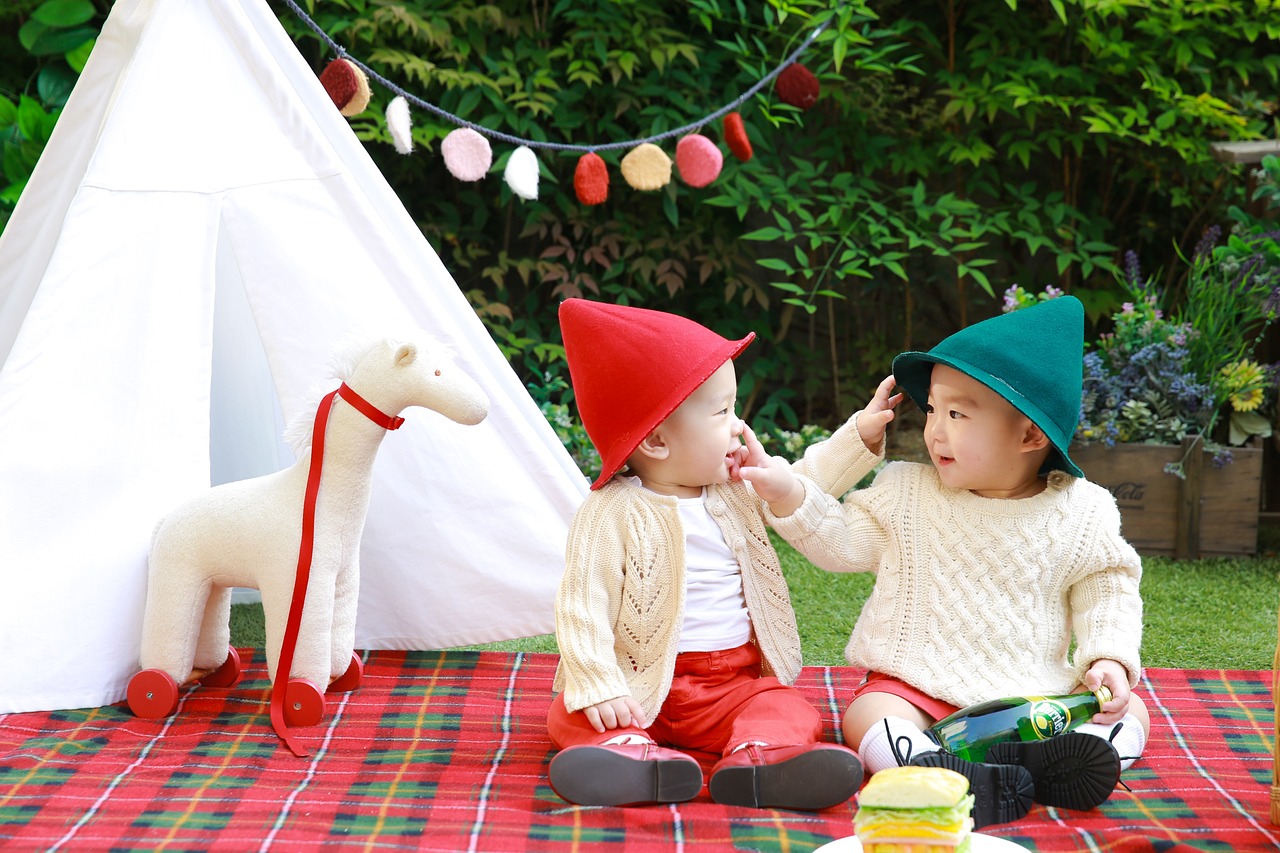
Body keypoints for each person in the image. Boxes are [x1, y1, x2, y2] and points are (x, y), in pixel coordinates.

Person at [737, 295, 1149, 828]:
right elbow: (836, 541)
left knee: (1128, 709)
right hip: (918, 687)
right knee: (871, 712)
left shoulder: (1082, 511)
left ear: (1029, 435)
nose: (935, 429)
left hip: (1034, 697)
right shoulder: (906, 493)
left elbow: (1109, 587)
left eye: (957, 413)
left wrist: (1109, 658)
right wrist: (807, 478)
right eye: (932, 409)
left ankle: (1062, 764)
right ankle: (935, 765)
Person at [546, 298, 863, 810]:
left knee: (786, 707)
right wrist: (599, 683)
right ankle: (625, 755)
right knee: (571, 710)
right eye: (722, 412)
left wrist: (857, 439)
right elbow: (582, 604)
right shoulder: (611, 512)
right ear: (655, 441)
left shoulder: (734, 491)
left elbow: (801, 486)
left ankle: (757, 759)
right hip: (636, 681)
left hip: (729, 685)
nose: (738, 425)